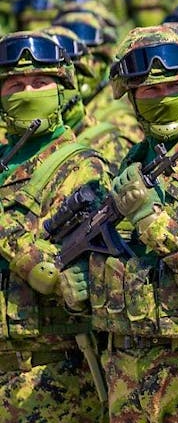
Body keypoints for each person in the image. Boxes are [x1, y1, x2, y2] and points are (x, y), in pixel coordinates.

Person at [69, 25, 178, 421]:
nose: (163, 98)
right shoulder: (131, 162)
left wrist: (152, 222)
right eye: (150, 91)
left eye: (173, 89)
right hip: (127, 363)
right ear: (131, 97)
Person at [0, 31, 109, 422]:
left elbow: (65, 273)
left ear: (63, 91)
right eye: (15, 84)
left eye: (41, 82)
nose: (27, 91)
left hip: (50, 373)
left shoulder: (80, 166)